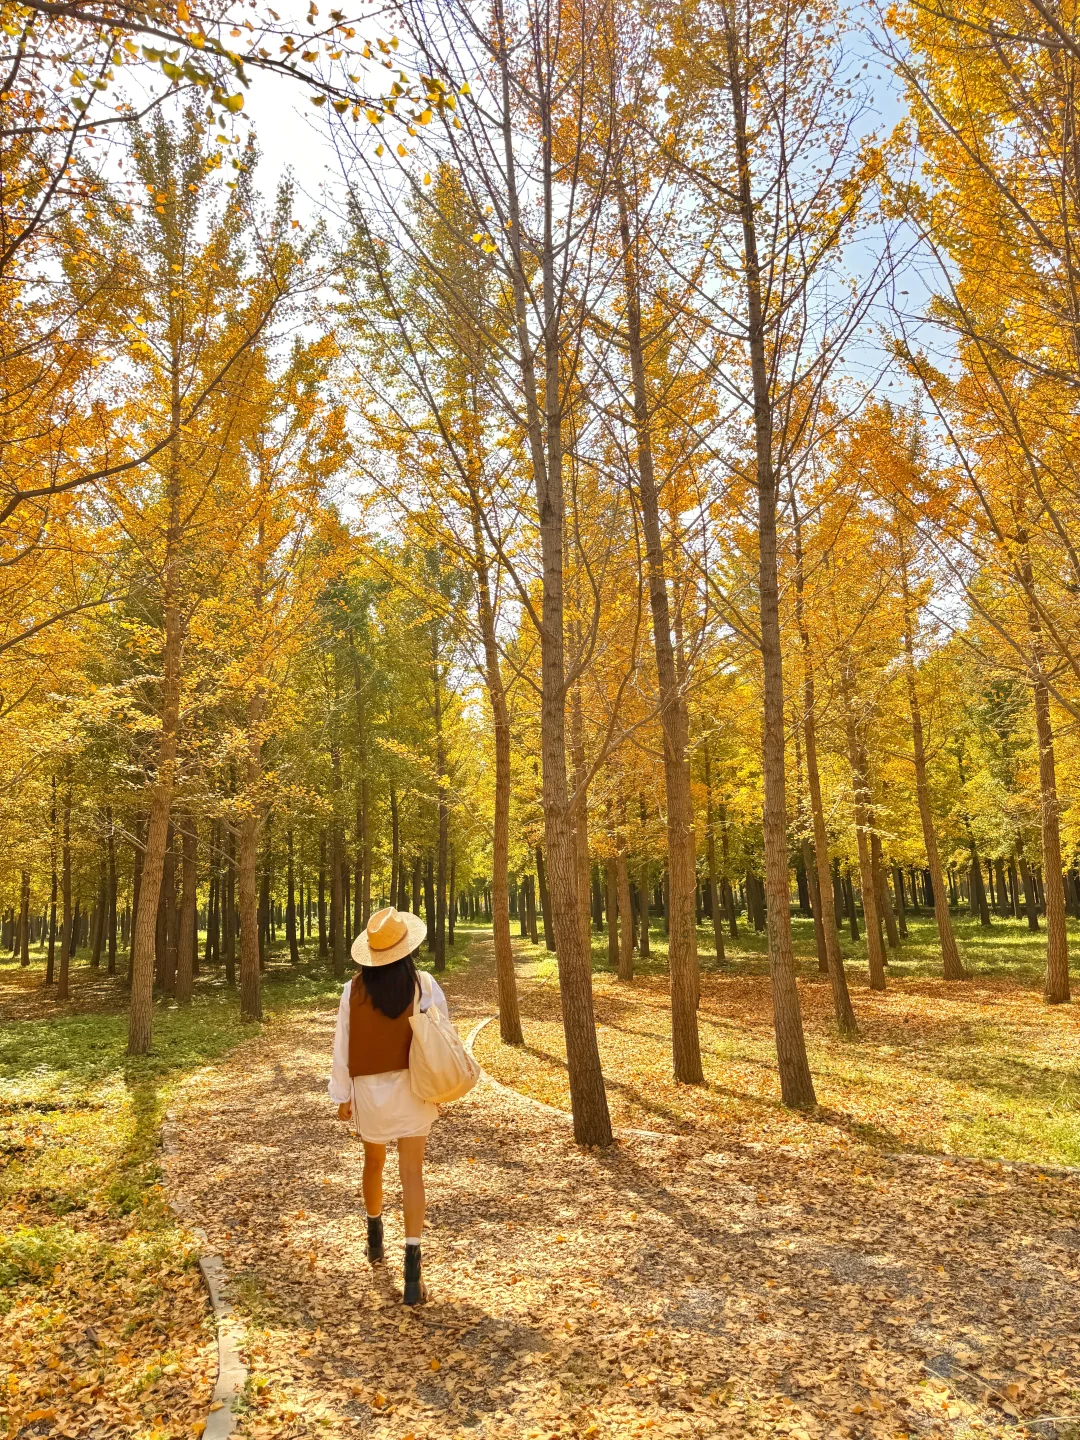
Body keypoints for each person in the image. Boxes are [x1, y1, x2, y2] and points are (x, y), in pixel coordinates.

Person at [329, 906, 449, 1305]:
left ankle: (374, 1236)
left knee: (374, 1163)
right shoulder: (424, 985)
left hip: (370, 1091)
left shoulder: (353, 990)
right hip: (414, 1086)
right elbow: (441, 1037)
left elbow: (342, 1044)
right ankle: (413, 1265)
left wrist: (342, 1094)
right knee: (412, 1172)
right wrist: (438, 1088)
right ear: (407, 948)